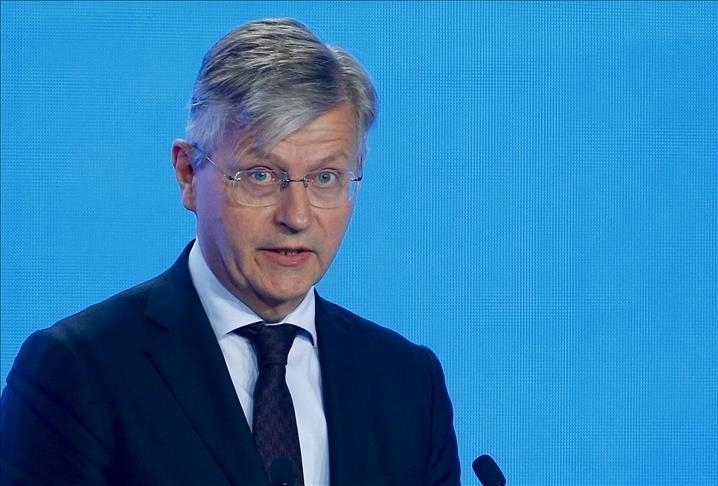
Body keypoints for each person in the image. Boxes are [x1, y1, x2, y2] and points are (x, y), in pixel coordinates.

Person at [0, 18, 460, 486]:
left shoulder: (407, 384)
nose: (297, 216)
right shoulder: (79, 371)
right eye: (261, 175)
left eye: (325, 178)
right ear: (187, 173)